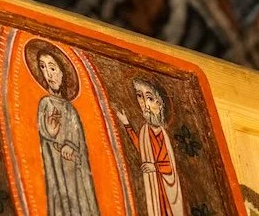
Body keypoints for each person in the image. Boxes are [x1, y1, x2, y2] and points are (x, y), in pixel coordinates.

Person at [26, 40, 99, 216]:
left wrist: (72, 147)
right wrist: (51, 132)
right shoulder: (46, 103)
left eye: (52, 68)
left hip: (74, 174)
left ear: (62, 72)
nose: (48, 74)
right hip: (56, 168)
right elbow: (45, 133)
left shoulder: (71, 110)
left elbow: (79, 143)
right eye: (43, 67)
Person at [114, 79, 184, 216]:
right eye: (140, 96)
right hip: (153, 185)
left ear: (160, 104)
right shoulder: (145, 130)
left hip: (166, 187)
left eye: (150, 98)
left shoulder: (163, 135)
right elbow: (142, 149)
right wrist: (127, 124)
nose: (144, 103)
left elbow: (170, 166)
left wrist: (155, 167)